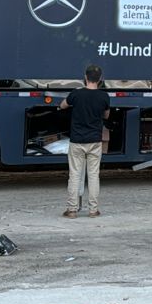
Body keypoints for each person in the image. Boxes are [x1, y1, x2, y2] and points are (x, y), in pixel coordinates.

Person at [57, 65, 111, 218]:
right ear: (100, 79)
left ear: (85, 77)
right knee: (93, 175)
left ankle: (72, 210)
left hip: (77, 141)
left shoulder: (76, 94)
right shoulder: (104, 96)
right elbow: (106, 115)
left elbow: (63, 105)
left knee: (75, 175)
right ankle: (93, 210)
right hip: (94, 141)